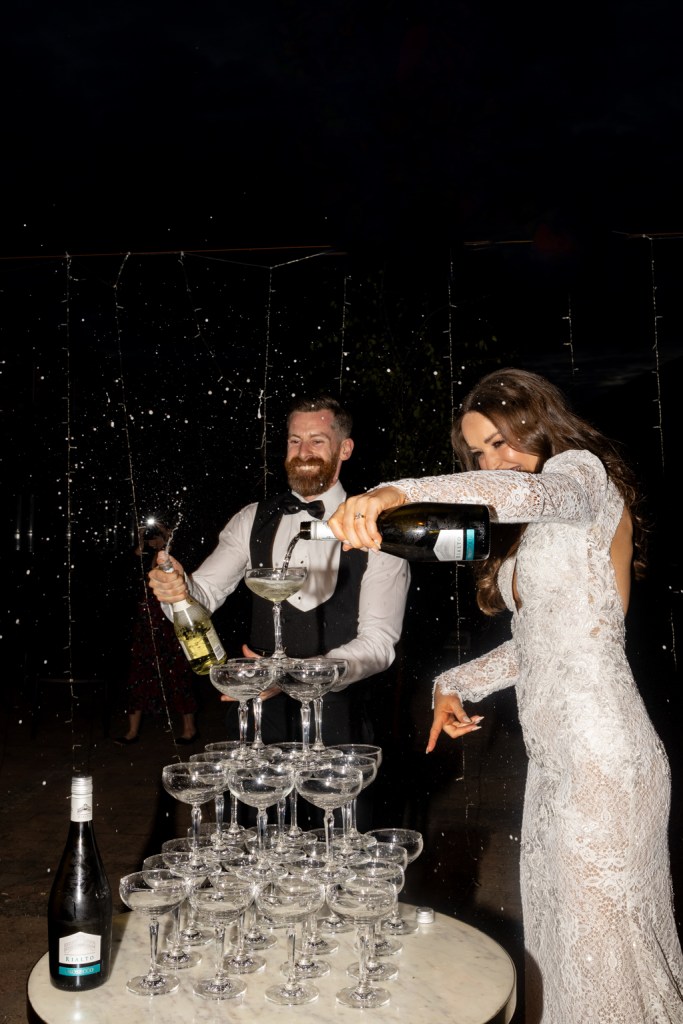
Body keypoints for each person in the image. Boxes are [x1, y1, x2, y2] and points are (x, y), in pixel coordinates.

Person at [328, 368, 683, 1024]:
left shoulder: (581, 477)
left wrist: (390, 493)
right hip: (555, 765)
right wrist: (453, 683)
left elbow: (516, 490)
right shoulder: (537, 532)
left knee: (600, 948)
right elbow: (539, 645)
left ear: (537, 422)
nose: (493, 459)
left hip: (602, 754)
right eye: (478, 452)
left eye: (501, 440)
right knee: (557, 944)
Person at [148, 395, 410, 751]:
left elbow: (379, 645)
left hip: (335, 719)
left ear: (345, 449)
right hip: (258, 717)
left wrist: (293, 676)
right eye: (294, 440)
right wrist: (177, 589)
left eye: (317, 440)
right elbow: (202, 595)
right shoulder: (251, 519)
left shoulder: (378, 529)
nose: (303, 452)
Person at [115, 522, 198, 746]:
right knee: (138, 675)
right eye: (151, 535)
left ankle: (189, 729)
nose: (154, 539)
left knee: (177, 674)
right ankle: (132, 731)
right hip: (145, 626)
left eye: (157, 535)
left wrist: (168, 542)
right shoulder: (141, 557)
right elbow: (125, 578)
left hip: (170, 623)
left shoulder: (175, 555)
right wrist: (140, 543)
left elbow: (188, 580)